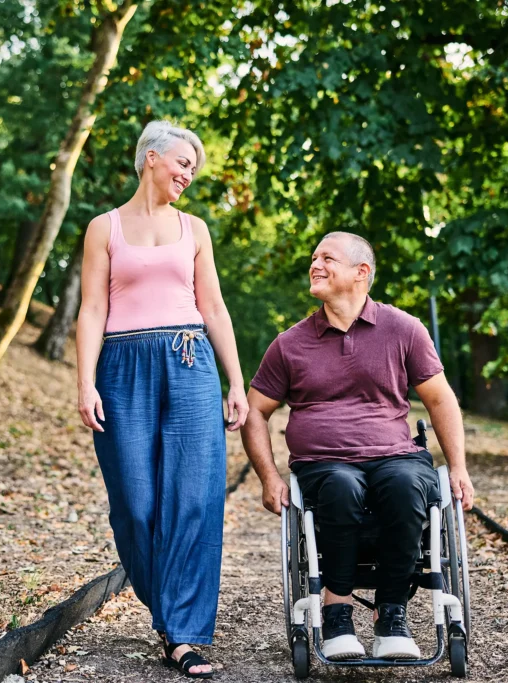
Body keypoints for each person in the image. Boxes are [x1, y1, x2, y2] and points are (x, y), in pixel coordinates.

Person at [240, 232, 474, 661]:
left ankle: (392, 615)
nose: (315, 265)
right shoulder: (290, 343)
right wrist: (269, 477)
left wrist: (457, 466)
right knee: (341, 487)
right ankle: (337, 615)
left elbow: (440, 399)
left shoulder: (403, 329)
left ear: (361, 272)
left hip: (395, 455)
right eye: (314, 258)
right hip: (323, 463)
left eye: (327, 258)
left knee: (407, 485)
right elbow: (255, 411)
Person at [75, 120, 249, 679]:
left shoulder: (194, 229)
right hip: (122, 366)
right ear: (151, 157)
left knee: (194, 498)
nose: (188, 173)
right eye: (182, 162)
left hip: (190, 361)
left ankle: (182, 633)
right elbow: (91, 310)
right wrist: (85, 382)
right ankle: (169, 609)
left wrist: (236, 381)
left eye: (193, 168)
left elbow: (214, 307)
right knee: (135, 503)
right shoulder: (103, 228)